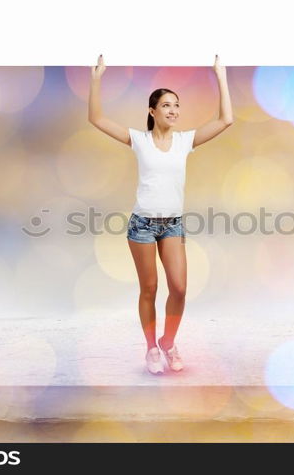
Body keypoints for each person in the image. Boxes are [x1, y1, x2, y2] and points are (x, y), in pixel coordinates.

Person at [88, 54, 233, 374]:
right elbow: (96, 119)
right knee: (149, 289)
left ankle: (168, 342)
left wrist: (220, 75)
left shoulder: (185, 141)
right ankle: (151, 348)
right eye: (167, 105)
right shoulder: (138, 139)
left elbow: (225, 121)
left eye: (176, 105)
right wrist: (96, 78)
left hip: (172, 225)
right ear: (152, 111)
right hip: (142, 225)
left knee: (179, 288)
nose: (173, 111)